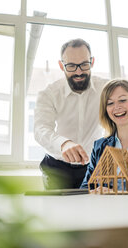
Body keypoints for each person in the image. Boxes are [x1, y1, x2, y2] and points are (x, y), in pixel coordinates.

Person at [34, 38, 108, 189]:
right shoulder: (49, 94)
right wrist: (64, 143)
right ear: (61, 66)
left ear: (92, 62)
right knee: (57, 211)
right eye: (71, 66)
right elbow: (40, 129)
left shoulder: (106, 89)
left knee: (94, 210)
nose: (79, 72)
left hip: (93, 167)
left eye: (84, 64)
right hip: (56, 169)